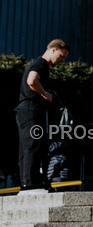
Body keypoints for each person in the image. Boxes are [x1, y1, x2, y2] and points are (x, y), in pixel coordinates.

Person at [15, 39, 69, 193]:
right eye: (61, 56)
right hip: (30, 110)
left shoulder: (39, 64)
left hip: (26, 110)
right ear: (53, 50)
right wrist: (45, 93)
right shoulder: (41, 64)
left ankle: (28, 184)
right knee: (33, 146)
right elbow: (32, 80)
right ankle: (31, 185)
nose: (62, 60)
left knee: (27, 148)